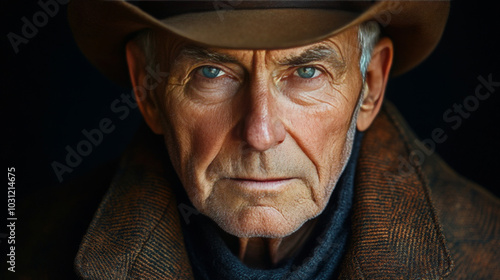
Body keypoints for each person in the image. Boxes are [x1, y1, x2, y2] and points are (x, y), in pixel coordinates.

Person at [14, 0, 499, 279]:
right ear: (149, 90)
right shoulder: (27, 252)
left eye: (306, 72)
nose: (260, 133)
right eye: (211, 72)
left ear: (370, 85)